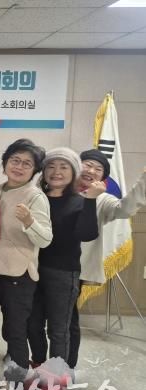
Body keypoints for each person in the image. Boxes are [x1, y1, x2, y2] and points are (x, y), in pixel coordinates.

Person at [0, 139, 52, 390]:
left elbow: (45, 239)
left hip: (19, 275)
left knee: (15, 330)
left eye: (27, 163)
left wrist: (29, 221)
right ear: (5, 163)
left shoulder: (35, 197)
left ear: (35, 170)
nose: (19, 166)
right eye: (15, 160)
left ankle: (15, 382)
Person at [27, 148, 104, 374]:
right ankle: (39, 364)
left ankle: (56, 377)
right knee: (32, 324)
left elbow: (87, 234)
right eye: (51, 166)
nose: (56, 172)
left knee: (58, 330)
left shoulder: (80, 201)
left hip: (63, 273)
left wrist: (90, 200)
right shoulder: (35, 198)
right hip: (31, 269)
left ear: (74, 172)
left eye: (63, 167)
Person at [68, 151, 146, 368]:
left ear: (102, 178)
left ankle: (67, 365)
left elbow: (125, 209)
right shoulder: (58, 190)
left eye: (98, 169)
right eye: (87, 164)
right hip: (43, 265)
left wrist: (143, 181)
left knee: (67, 320)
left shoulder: (102, 200)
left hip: (75, 270)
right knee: (33, 316)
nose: (91, 170)